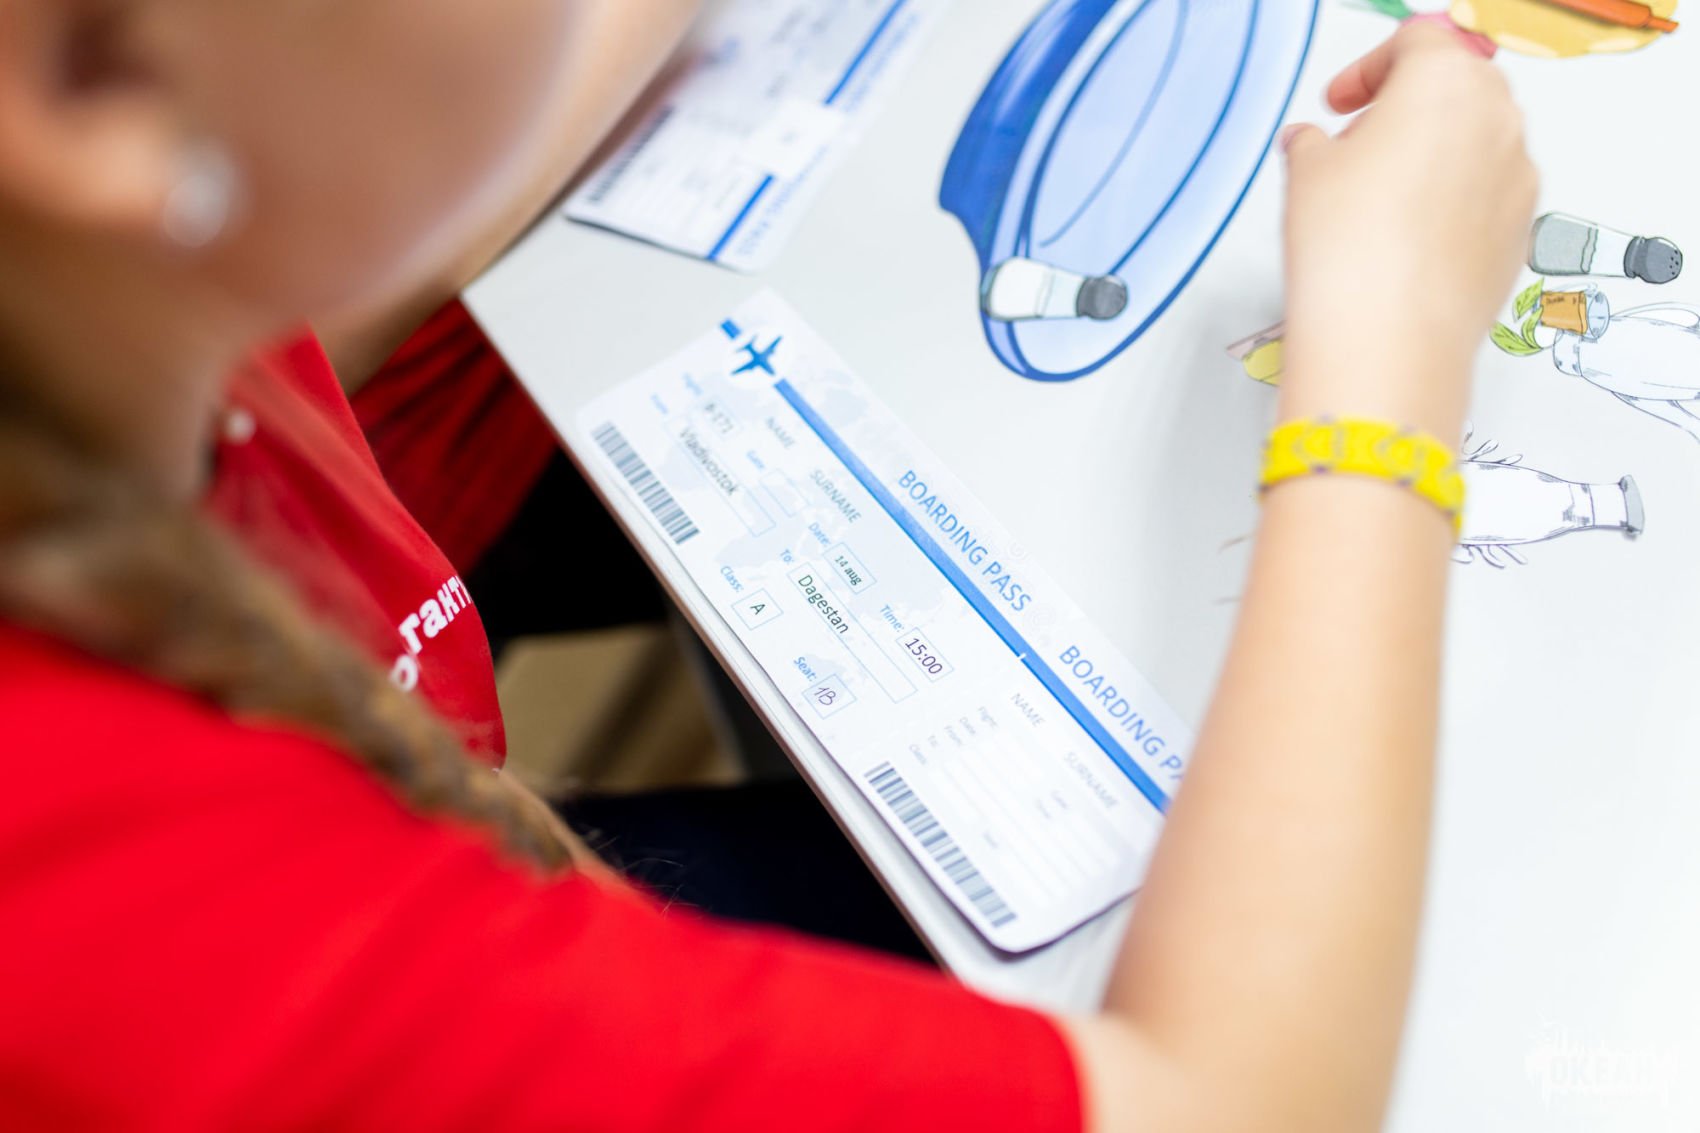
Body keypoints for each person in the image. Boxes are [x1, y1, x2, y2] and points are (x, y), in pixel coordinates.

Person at [0, 0, 1536, 1127]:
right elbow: (1230, 1110)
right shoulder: (179, 946)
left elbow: (364, 186)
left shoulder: (86, 293)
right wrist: (1389, 342)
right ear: (93, 85)